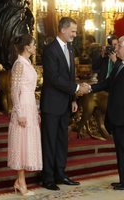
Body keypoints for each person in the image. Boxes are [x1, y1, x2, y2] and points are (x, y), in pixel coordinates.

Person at [40, 17, 90, 191]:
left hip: (66, 103)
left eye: (76, 32)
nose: (75, 35)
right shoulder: (50, 50)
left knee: (62, 141)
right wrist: (76, 88)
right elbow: (54, 79)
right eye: (73, 31)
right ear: (63, 29)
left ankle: (60, 174)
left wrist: (74, 98)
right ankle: (47, 178)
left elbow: (69, 75)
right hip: (51, 105)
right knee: (49, 141)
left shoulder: (70, 48)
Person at [7, 34, 42, 196]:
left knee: (28, 143)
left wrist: (36, 108)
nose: (35, 47)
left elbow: (30, 89)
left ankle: (19, 181)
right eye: (34, 44)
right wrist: (19, 112)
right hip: (22, 107)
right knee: (21, 144)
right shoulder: (19, 64)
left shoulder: (27, 63)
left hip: (30, 105)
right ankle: (21, 182)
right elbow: (14, 91)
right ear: (27, 47)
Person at [90, 35, 124, 190]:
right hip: (117, 116)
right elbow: (107, 83)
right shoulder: (119, 65)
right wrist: (89, 88)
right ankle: (122, 180)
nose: (116, 49)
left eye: (119, 47)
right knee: (120, 150)